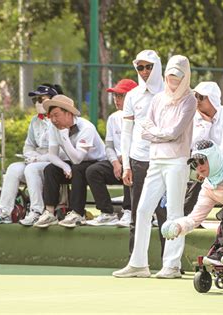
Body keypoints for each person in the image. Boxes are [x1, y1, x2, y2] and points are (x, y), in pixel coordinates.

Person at [112, 55, 196, 279]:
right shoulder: (158, 99)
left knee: (174, 213)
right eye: (170, 76)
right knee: (142, 209)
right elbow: (144, 128)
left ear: (185, 76)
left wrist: (158, 134)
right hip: (156, 160)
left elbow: (175, 132)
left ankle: (172, 265)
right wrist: (162, 135)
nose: (172, 81)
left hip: (177, 162)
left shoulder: (190, 100)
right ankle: (139, 263)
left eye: (177, 77)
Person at [155, 81, 223, 251]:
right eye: (195, 96)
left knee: (198, 183)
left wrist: (209, 166)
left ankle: (181, 219)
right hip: (203, 169)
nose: (196, 100)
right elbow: (194, 146)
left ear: (212, 99)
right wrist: (206, 124)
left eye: (200, 97)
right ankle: (177, 221)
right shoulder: (195, 117)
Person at [0, 84, 64, 226]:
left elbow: (62, 151)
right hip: (36, 160)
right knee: (13, 169)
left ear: (52, 100)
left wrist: (40, 158)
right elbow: (28, 145)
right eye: (35, 100)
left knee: (31, 169)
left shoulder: (59, 119)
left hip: (55, 161)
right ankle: (4, 212)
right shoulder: (35, 121)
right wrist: (31, 155)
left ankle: (37, 212)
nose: (37, 103)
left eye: (41, 99)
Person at [118, 50, 164, 257]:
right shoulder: (132, 95)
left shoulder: (170, 92)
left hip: (164, 160)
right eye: (140, 67)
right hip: (138, 161)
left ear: (157, 66)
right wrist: (126, 165)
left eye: (149, 67)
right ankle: (134, 260)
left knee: (166, 215)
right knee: (137, 214)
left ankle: (170, 263)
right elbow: (126, 133)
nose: (144, 72)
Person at [34, 95, 106, 228]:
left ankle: (77, 213)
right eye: (51, 116)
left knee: (77, 169)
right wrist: (65, 166)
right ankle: (50, 213)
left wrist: (64, 137)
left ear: (68, 113)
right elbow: (52, 155)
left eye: (57, 115)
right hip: (75, 162)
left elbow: (78, 159)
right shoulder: (53, 127)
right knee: (50, 169)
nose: (54, 120)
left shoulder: (86, 128)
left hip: (97, 163)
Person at [86, 79, 138, 226]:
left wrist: (125, 159)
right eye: (115, 96)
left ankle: (129, 211)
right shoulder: (113, 118)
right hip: (118, 165)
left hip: (136, 164)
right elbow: (108, 147)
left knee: (132, 166)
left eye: (121, 96)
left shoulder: (141, 117)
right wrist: (115, 163)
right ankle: (107, 213)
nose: (116, 99)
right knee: (93, 171)